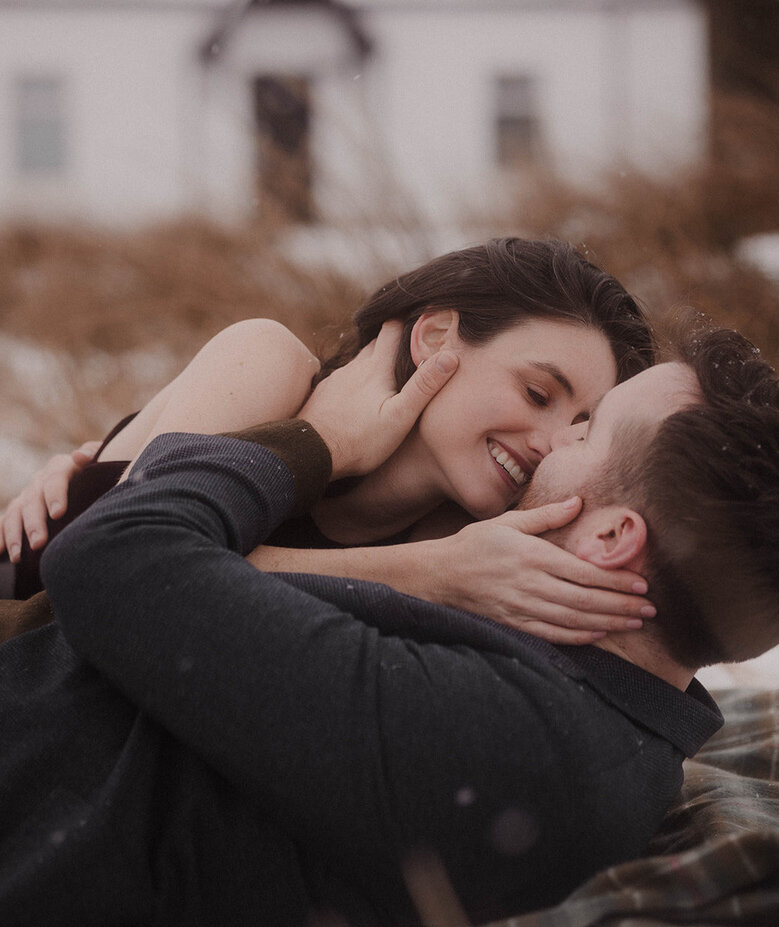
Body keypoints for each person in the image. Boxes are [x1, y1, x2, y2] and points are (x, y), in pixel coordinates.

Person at [2, 319, 779, 927]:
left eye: (588, 430)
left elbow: (110, 554)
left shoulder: (504, 741)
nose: (555, 439)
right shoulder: (582, 699)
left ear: (613, 538)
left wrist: (322, 438)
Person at [0, 237, 659, 645]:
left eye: (580, 424)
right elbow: (111, 586)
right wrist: (427, 577)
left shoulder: (473, 550)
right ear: (436, 338)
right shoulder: (269, 367)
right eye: (538, 394)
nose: (550, 442)